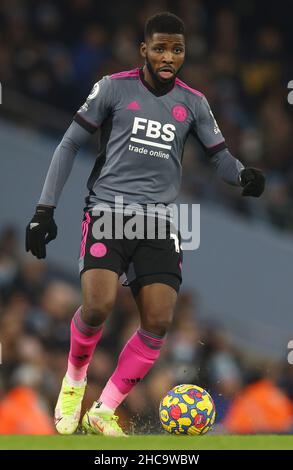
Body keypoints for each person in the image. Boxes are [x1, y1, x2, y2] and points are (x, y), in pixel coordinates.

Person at [25, 12, 265, 436]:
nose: (168, 56)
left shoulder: (194, 103)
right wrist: (45, 211)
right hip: (107, 212)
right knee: (97, 307)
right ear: (144, 50)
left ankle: (104, 409)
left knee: (157, 321)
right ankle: (74, 382)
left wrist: (242, 175)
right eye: (160, 48)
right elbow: (69, 144)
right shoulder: (113, 89)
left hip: (158, 221)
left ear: (184, 52)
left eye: (176, 49)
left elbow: (221, 158)